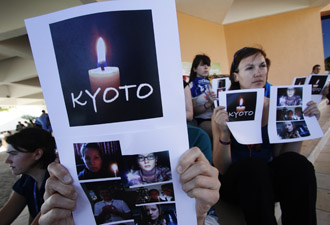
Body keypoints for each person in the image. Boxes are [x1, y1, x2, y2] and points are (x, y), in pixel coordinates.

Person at [212, 47, 320, 225]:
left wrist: (302, 124)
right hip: (237, 182)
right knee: (253, 168)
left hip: (266, 180)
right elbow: (222, 168)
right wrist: (224, 131)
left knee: (299, 164)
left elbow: (283, 157)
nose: (258, 73)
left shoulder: (274, 106)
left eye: (262, 66)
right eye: (249, 68)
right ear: (235, 76)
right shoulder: (223, 110)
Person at [38, 147, 220, 225]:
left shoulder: (173, 171)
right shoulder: (131, 180)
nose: (147, 161)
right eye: (142, 158)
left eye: (150, 157)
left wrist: (196, 217)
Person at [0, 127, 56, 225]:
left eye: (13, 154)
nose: (7, 160)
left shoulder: (57, 182)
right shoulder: (27, 180)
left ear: (37, 154)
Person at [189, 54, 216, 140]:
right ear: (195, 69)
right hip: (202, 120)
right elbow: (193, 111)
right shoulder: (191, 86)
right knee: (218, 129)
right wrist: (208, 104)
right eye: (202, 65)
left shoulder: (211, 83)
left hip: (216, 116)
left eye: (208, 65)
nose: (206, 67)